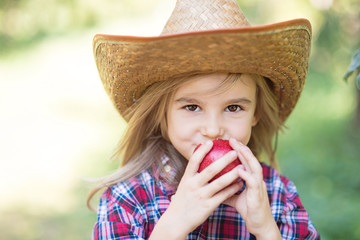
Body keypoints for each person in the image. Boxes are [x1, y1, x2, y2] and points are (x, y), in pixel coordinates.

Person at [88, 0, 320, 239]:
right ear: (162, 114)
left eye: (233, 107)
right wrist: (172, 227)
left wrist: (266, 230)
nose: (213, 129)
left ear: (256, 113)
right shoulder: (128, 198)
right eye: (192, 106)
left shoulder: (276, 195)